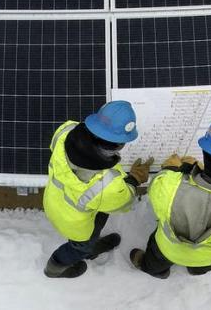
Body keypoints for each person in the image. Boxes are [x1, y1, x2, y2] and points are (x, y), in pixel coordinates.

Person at [129, 114, 211, 278]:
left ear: (205, 153)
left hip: (170, 250)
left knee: (155, 260)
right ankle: (195, 270)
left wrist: (172, 169)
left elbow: (157, 185)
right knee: (201, 265)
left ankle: (157, 270)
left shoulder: (169, 187)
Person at [42, 100, 152, 279]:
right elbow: (123, 203)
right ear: (121, 144)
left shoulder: (66, 130)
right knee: (79, 246)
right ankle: (55, 268)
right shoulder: (107, 184)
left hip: (53, 201)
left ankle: (90, 248)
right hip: (75, 224)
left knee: (96, 221)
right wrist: (134, 179)